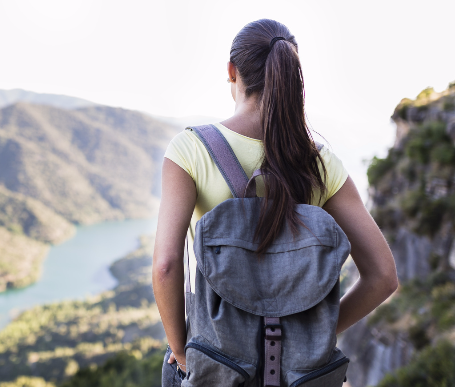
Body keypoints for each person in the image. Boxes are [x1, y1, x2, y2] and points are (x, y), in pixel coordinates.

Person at [151, 18, 399, 374]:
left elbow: (166, 266)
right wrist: (310, 335)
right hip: (298, 376)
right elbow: (383, 277)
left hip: (220, 366)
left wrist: (182, 350)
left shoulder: (191, 150)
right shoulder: (320, 162)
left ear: (232, 72)